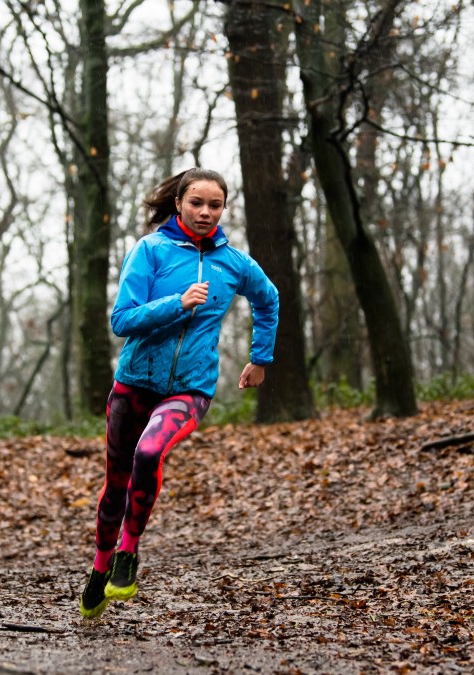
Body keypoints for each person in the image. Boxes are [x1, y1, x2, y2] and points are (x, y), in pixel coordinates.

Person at [79, 168, 280, 620]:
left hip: (190, 389)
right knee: (115, 482)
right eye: (196, 203)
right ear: (179, 204)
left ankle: (128, 554)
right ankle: (99, 567)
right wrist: (178, 303)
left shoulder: (235, 264)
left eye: (215, 205)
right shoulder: (150, 251)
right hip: (134, 384)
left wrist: (260, 358)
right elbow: (121, 320)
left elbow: (269, 300)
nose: (206, 212)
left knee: (149, 453)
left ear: (224, 209)